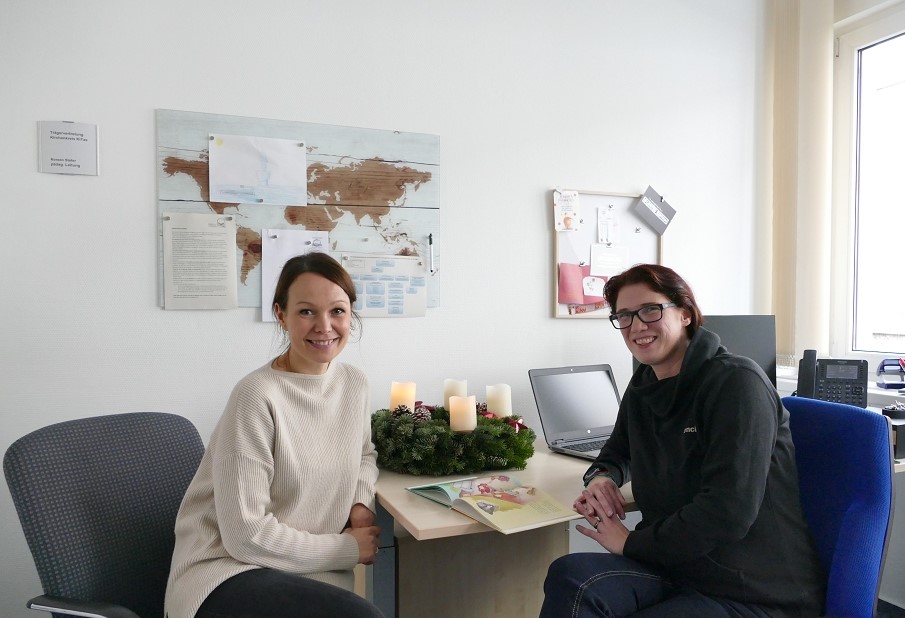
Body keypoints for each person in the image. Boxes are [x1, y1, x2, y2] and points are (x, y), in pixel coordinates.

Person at [540, 264, 826, 618]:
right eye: (625, 316)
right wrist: (602, 477)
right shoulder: (645, 384)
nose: (637, 326)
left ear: (686, 314)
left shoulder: (737, 384)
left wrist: (630, 543)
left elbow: (728, 513)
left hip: (751, 588)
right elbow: (617, 451)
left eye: (650, 310)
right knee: (570, 576)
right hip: (679, 566)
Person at [165, 252, 384, 618]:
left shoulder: (353, 384)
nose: (324, 326)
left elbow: (363, 455)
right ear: (281, 315)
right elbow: (245, 536)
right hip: (230, 570)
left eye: (337, 311)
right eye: (306, 311)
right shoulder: (256, 395)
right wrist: (346, 549)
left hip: (306, 570)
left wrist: (360, 504)